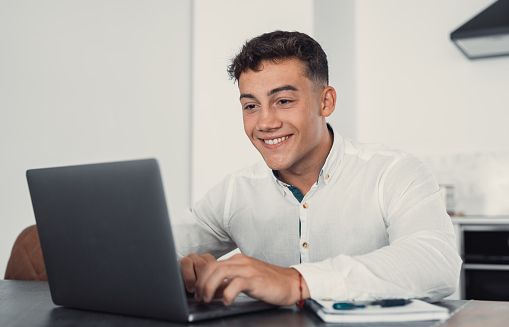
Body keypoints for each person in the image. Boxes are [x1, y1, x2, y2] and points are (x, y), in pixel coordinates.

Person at [174, 30, 462, 307]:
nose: (265, 123)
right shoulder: (234, 192)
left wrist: (296, 282)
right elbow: (149, 253)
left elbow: (436, 262)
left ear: (326, 102)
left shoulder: (394, 172)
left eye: (283, 101)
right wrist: (178, 270)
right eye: (251, 106)